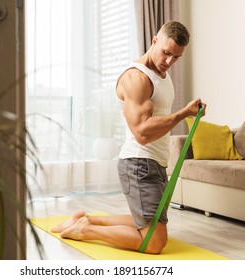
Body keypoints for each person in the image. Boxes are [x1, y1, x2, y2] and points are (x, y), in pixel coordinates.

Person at [51, 21, 206, 254]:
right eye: (166, 53)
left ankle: (87, 220)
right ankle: (85, 230)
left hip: (156, 161)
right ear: (154, 41)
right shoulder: (137, 78)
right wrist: (183, 113)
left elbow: (160, 116)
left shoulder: (161, 73)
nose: (169, 61)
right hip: (138, 163)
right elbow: (141, 133)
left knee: (149, 223)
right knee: (154, 242)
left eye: (176, 57)